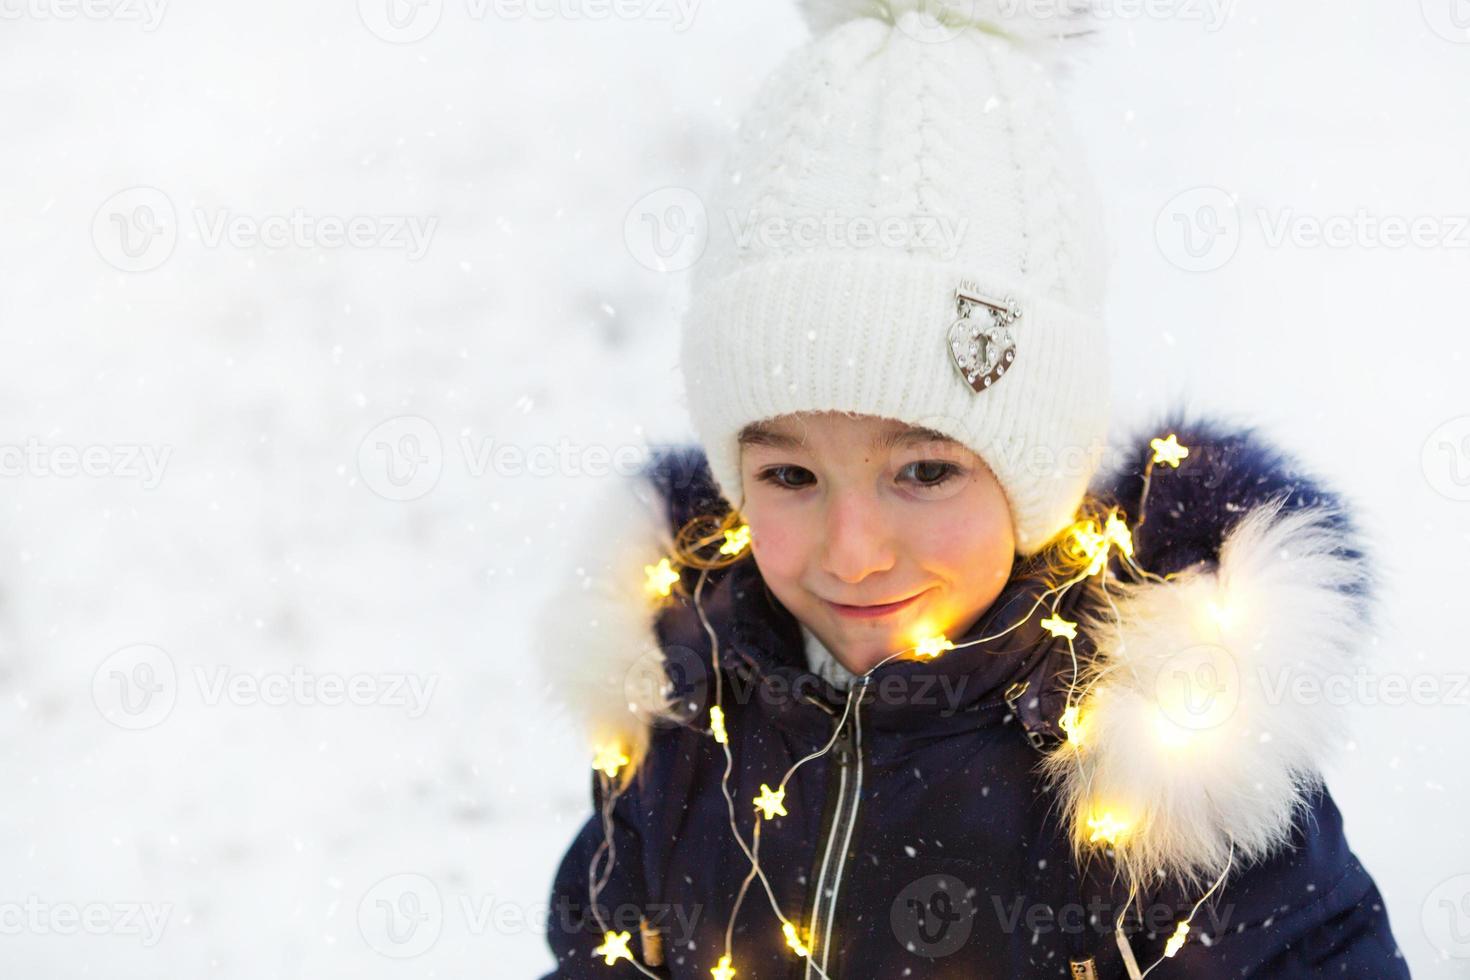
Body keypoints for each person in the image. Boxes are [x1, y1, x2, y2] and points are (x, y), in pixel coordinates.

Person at [533, 2, 1410, 976]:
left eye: (925, 470)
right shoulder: (685, 712)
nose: (853, 549)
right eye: (789, 474)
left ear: (1037, 470)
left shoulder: (1165, 761)